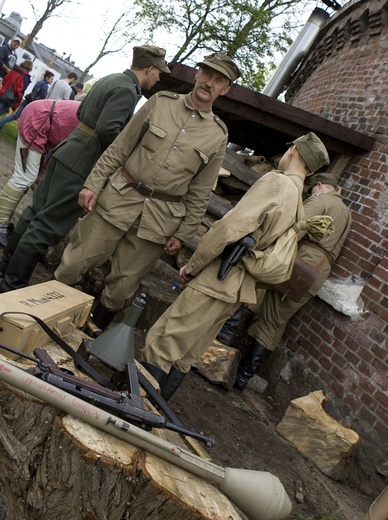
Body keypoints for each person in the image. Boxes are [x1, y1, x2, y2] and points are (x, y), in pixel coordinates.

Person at [54, 52, 242, 331]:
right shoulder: (160, 102)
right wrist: (93, 183)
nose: (209, 83)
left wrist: (184, 232)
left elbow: (201, 191)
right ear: (196, 75)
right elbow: (120, 147)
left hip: (158, 220)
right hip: (118, 200)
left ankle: (85, 340)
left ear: (225, 89)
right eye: (206, 74)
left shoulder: (217, 134)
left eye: (218, 80)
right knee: (75, 261)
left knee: (121, 287)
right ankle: (43, 312)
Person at [139, 132, 331, 400]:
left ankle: (133, 402)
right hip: (240, 286)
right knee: (189, 351)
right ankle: (155, 407)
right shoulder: (299, 199)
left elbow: (230, 227)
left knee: (165, 341)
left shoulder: (277, 182)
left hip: (221, 275)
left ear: (294, 151)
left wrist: (194, 264)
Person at [0, 45, 170, 291]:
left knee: (34, 212)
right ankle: (11, 285)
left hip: (69, 150)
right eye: (159, 73)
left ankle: (6, 270)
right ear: (150, 68)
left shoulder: (112, 79)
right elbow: (108, 130)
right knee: (49, 224)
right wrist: (126, 152)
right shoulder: (126, 89)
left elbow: (81, 110)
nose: (158, 78)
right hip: (82, 162)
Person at [231, 172, 352, 389]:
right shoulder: (346, 212)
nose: (311, 193)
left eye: (312, 189)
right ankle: (241, 376)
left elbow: (295, 228)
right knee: (271, 321)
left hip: (298, 266)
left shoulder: (321, 201)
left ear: (321, 186)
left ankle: (230, 363)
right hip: (316, 273)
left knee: (245, 289)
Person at [0, 99, 80, 247]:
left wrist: (43, 171)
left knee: (28, 178)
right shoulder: (100, 124)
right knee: (24, 178)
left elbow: (62, 149)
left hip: (42, 119)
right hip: (39, 118)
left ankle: (5, 218)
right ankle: (1, 222)